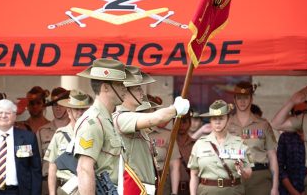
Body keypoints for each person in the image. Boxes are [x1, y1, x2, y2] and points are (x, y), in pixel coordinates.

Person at [113, 66, 190, 194]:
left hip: (144, 188)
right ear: (124, 92)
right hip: (133, 188)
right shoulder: (121, 117)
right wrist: (175, 109)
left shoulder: (133, 119)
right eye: (138, 88)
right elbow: (156, 118)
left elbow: (155, 120)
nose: (142, 93)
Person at [73, 58, 136, 194]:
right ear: (105, 87)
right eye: (119, 84)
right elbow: (84, 169)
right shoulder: (93, 122)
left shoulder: (107, 119)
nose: (124, 89)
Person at [188, 100, 253, 195]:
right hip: (206, 191)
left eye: (221, 118)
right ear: (210, 120)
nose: (218, 122)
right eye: (214, 118)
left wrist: (242, 170)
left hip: (232, 191)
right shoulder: (200, 144)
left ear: (228, 119)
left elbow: (249, 173)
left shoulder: (239, 143)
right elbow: (193, 174)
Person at [226, 81, 279, 195]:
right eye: (239, 98)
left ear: (251, 99)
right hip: (233, 177)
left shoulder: (263, 124)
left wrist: (275, 187)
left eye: (246, 97)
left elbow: (272, 156)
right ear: (234, 100)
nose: (242, 101)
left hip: (259, 178)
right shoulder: (226, 124)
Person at [271, 85, 307, 195]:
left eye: (305, 111)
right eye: (298, 113)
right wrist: (292, 101)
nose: (301, 114)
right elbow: (275, 124)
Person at [44, 90, 93, 195]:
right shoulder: (60, 135)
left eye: (83, 109)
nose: (80, 113)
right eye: (76, 109)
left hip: (89, 187)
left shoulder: (94, 132)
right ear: (69, 111)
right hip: (66, 189)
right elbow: (52, 167)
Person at [37, 87, 70, 195]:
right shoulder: (42, 131)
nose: (58, 108)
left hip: (70, 183)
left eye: (61, 104)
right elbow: (36, 163)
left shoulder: (77, 129)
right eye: (55, 105)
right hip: (46, 184)